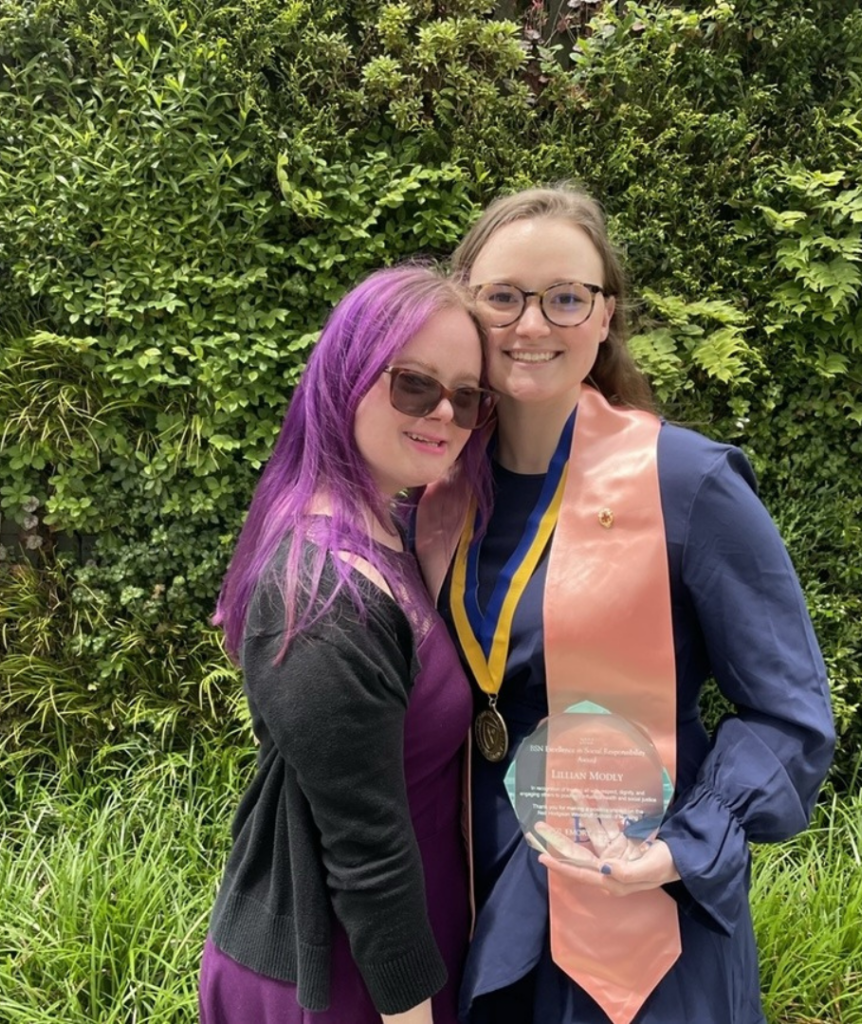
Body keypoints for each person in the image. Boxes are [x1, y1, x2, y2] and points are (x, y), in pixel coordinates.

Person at [413, 186, 836, 1024]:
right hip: (474, 893)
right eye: (502, 297)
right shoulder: (437, 489)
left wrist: (683, 844)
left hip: (639, 916)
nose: (532, 325)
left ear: (605, 317)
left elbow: (790, 714)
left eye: (566, 298)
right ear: (464, 308)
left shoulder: (686, 484)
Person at [199, 265, 499, 1024]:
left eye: (467, 397)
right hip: (341, 977)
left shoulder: (387, 529)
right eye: (413, 384)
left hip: (392, 953)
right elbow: (366, 852)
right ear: (346, 376)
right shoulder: (321, 593)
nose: (444, 414)